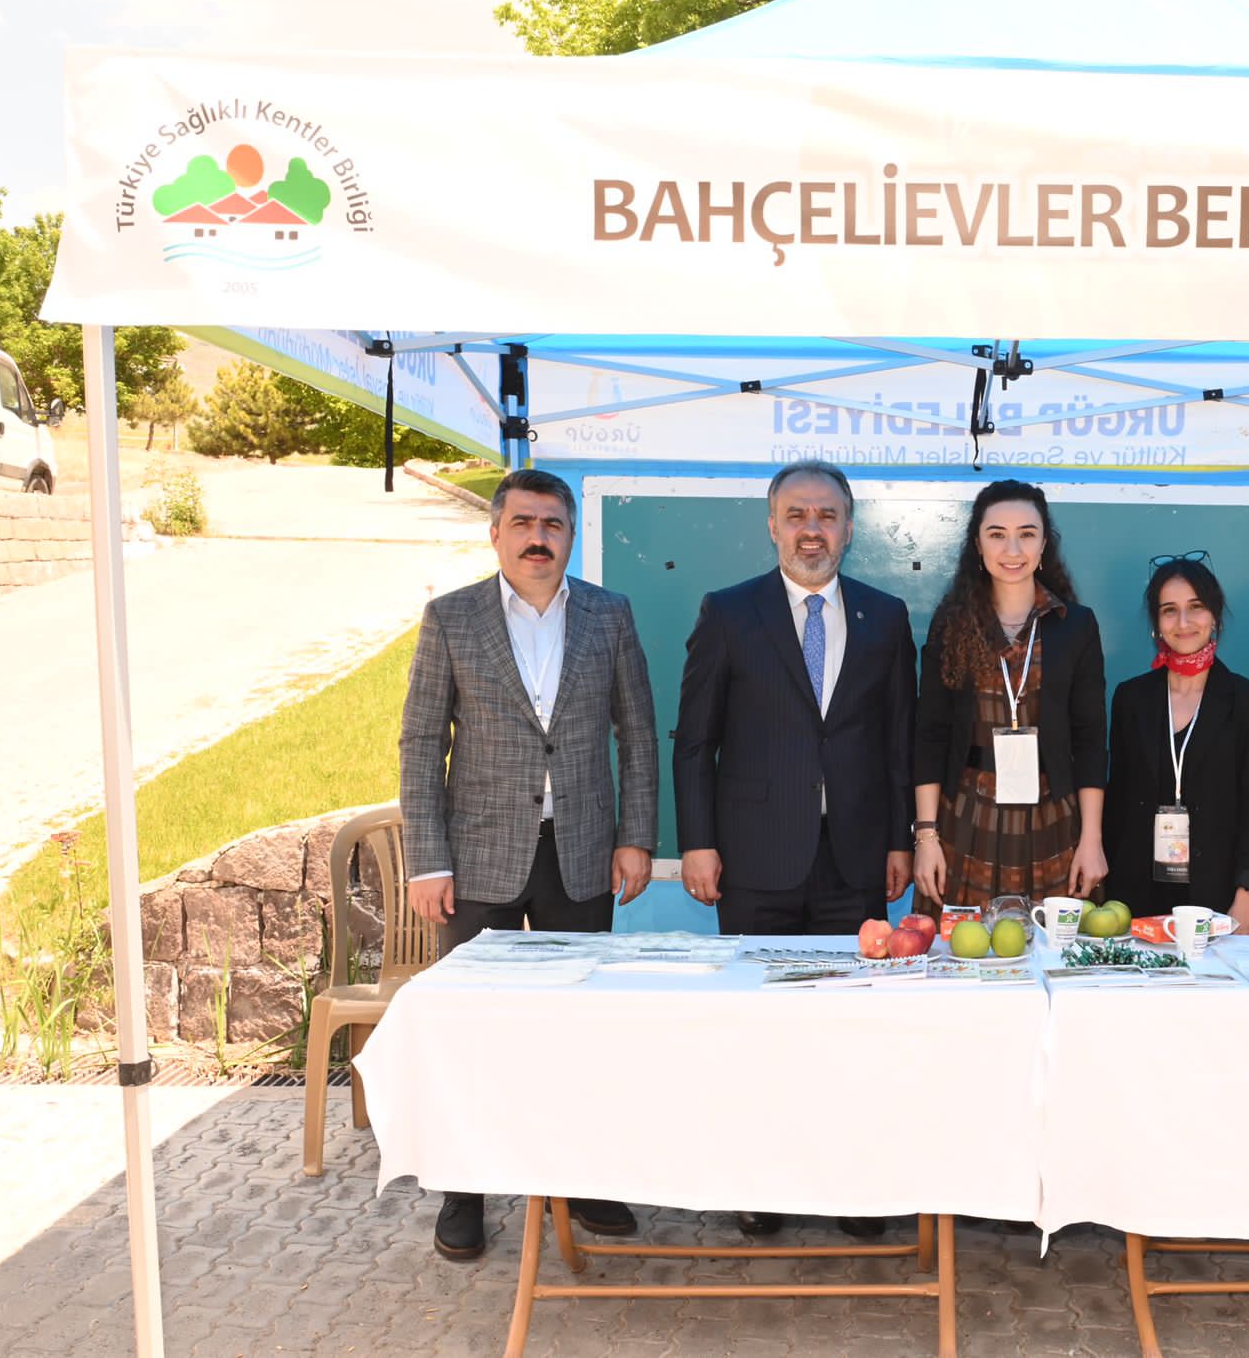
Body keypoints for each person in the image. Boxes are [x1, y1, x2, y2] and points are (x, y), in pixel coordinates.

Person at [399, 468, 658, 1261]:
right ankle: (464, 1191)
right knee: (474, 1026)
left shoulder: (610, 615)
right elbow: (421, 743)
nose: (538, 538)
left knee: (577, 1025)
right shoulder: (452, 618)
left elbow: (637, 731)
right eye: (523, 523)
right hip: (476, 857)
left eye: (553, 524)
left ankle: (579, 1179)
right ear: (496, 533)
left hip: (579, 854)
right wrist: (427, 859)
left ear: (571, 535)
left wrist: (636, 836)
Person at [673, 461, 915, 1240]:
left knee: (850, 1029)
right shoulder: (728, 612)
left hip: (854, 861)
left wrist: (900, 840)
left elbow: (898, 742)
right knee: (760, 1028)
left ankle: (851, 1185)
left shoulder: (886, 616)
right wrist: (698, 844)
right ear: (772, 525)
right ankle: (762, 1180)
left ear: (849, 527)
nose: (813, 530)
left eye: (828, 515)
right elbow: (695, 742)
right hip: (754, 862)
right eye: (797, 515)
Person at [913, 480, 1107, 913]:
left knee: (1055, 942)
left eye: (1027, 534)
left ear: (1044, 544)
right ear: (977, 545)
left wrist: (1091, 839)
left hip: (1053, 814)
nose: (1013, 549)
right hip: (967, 813)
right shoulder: (951, 623)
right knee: (961, 945)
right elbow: (930, 735)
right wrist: (926, 837)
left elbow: (1090, 740)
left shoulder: (1075, 625)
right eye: (997, 534)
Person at [1101, 554, 1249, 933]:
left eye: (1196, 607)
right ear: (1156, 624)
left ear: (1215, 616)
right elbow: (1118, 802)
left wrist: (1247, 895)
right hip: (1135, 895)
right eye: (1169, 610)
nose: (1183, 622)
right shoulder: (1130, 698)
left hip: (1221, 897)